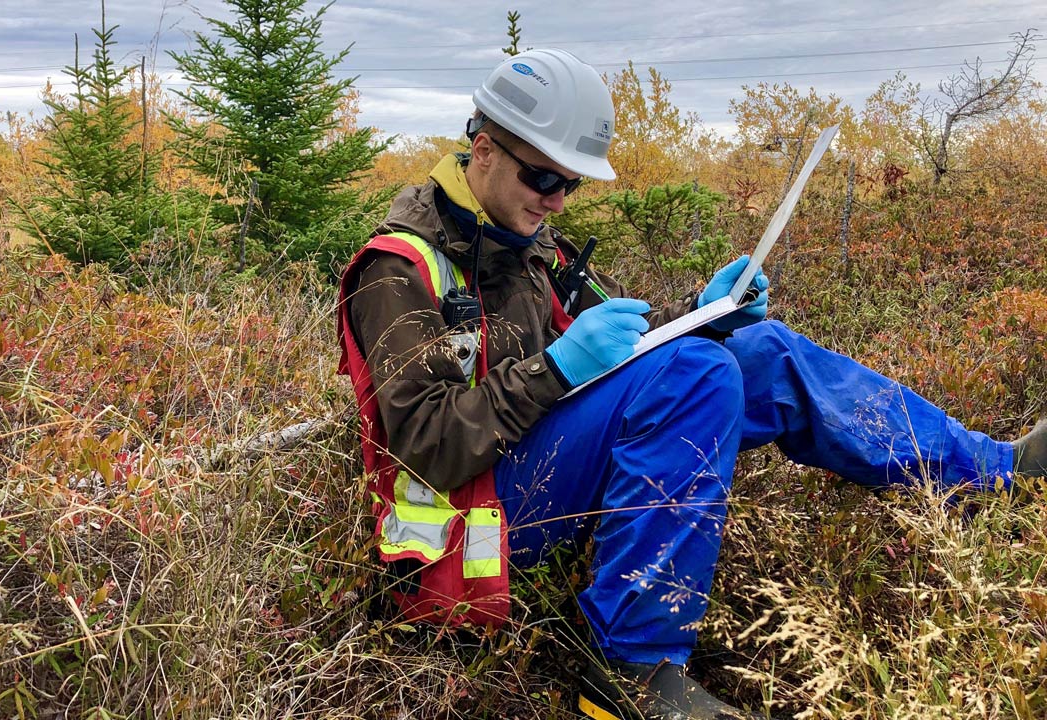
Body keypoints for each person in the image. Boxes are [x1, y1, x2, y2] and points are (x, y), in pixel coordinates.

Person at [335, 48, 1047, 720]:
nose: (557, 201)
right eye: (544, 178)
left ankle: (990, 473)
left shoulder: (529, 247)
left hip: (534, 475)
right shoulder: (398, 270)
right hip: (471, 522)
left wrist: (703, 319)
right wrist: (558, 368)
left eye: (571, 183)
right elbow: (428, 447)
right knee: (696, 373)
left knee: (753, 350)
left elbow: (629, 370)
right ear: (482, 150)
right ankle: (629, 671)